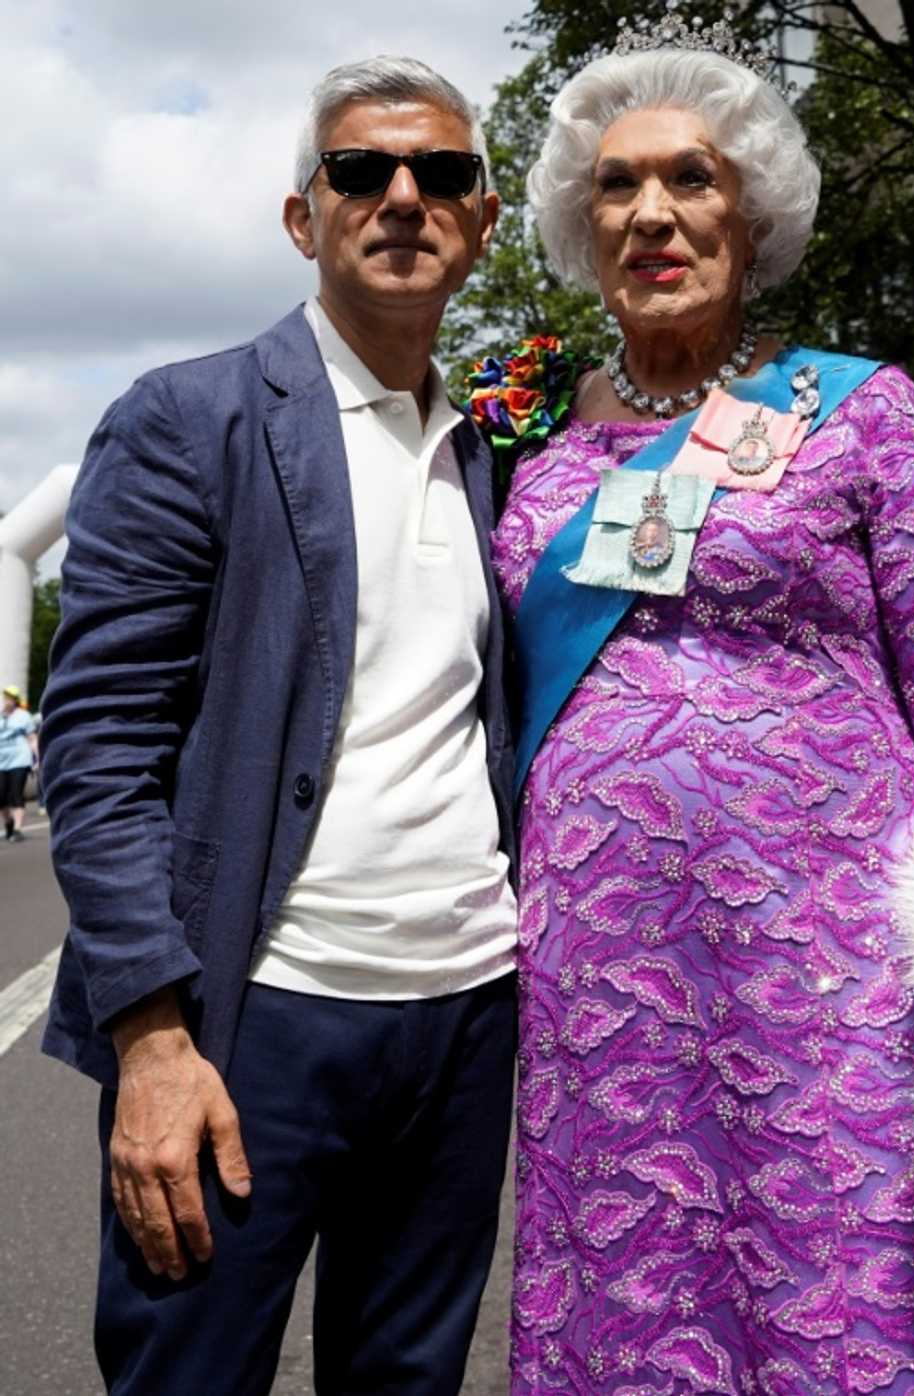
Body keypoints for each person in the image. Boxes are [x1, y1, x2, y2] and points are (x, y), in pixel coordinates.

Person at [473, 17, 914, 1395]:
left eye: (690, 179)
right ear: (583, 226)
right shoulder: (537, 457)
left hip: (833, 965)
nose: (653, 214)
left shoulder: (857, 413)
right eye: (618, 188)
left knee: (847, 1277)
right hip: (600, 978)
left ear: (750, 214)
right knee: (633, 1289)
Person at [40, 57, 516, 1396]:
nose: (404, 197)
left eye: (443, 175)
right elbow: (98, 743)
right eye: (361, 171)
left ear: (480, 221)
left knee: (406, 1380)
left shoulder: (493, 449)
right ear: (305, 218)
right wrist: (150, 1038)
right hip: (253, 1027)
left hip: (465, 1015)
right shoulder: (190, 422)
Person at [0, 684, 36, 842]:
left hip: (19, 759)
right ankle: (8, 823)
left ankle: (17, 829)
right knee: (1, 797)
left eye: (11, 697)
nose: (8, 700)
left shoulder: (23, 716)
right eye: (6, 696)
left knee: (16, 794)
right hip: (1, 761)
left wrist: (37, 759)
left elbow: (32, 739)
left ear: (15, 700)